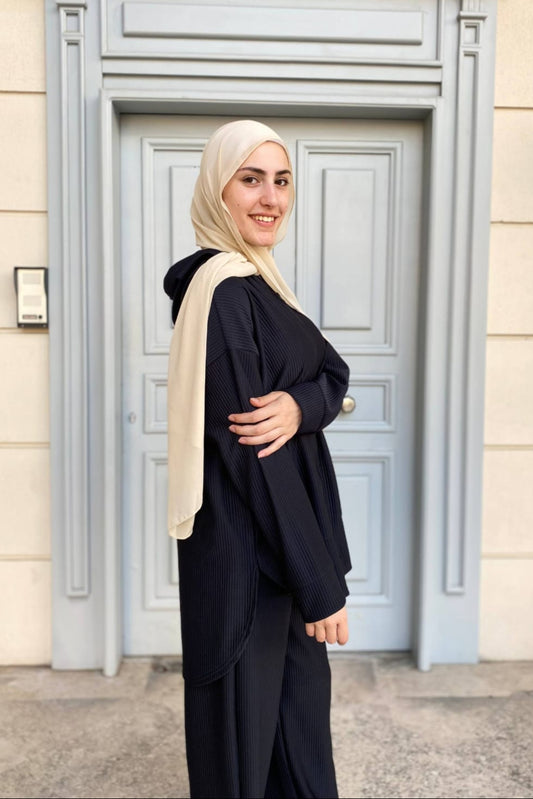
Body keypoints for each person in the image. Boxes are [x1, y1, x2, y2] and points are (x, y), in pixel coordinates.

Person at [163, 119, 352, 799]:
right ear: (217, 190)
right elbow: (254, 459)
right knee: (243, 761)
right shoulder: (223, 293)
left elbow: (333, 374)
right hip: (248, 569)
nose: (271, 198)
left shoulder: (262, 285)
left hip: (281, 560)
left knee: (297, 750)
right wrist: (319, 582)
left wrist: (301, 405)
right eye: (250, 179)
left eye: (281, 180)